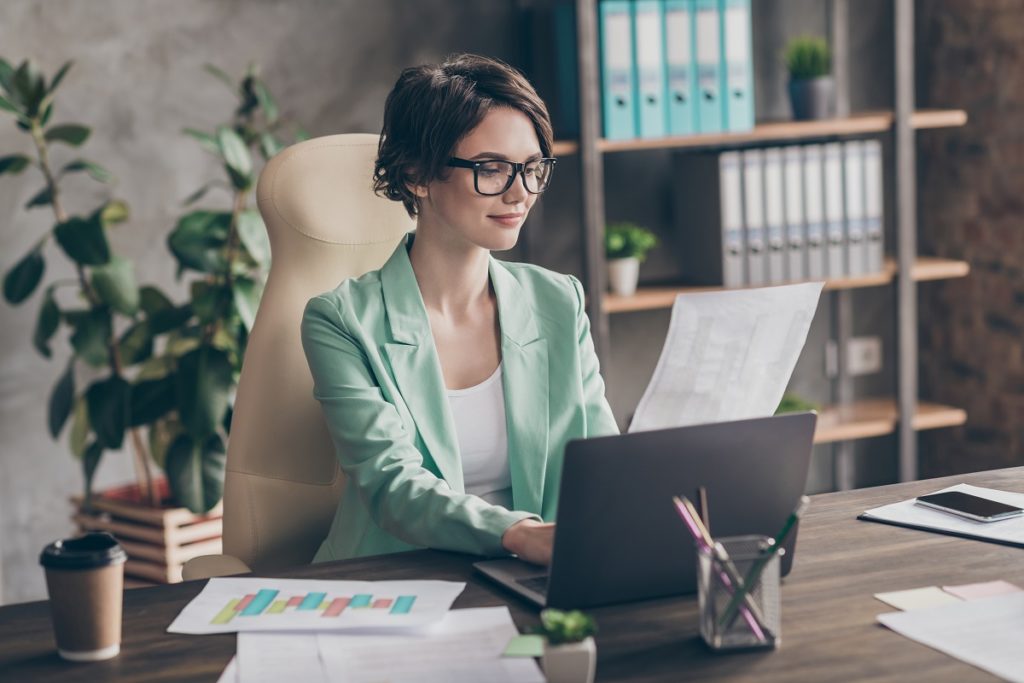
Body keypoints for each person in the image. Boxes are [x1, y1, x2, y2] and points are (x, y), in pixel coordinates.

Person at [301, 54, 618, 568]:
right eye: (491, 169)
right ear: (417, 176)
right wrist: (520, 533)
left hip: (532, 574)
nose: (520, 193)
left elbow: (600, 459)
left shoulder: (558, 300)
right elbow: (393, 486)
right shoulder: (340, 321)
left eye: (533, 168)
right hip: (391, 580)